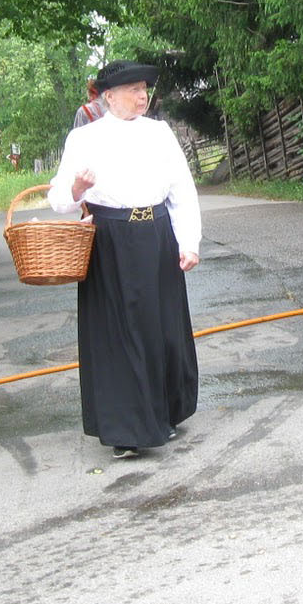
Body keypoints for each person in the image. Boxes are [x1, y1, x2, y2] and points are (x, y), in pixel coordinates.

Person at [47, 60, 201, 459]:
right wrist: (76, 189)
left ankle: (165, 412)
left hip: (157, 235)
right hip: (110, 240)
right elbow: (59, 200)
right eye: (133, 89)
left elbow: (182, 190)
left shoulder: (160, 133)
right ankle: (127, 429)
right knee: (119, 334)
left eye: (144, 88)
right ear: (108, 96)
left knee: (162, 327)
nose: (142, 95)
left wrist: (189, 242)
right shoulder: (84, 140)